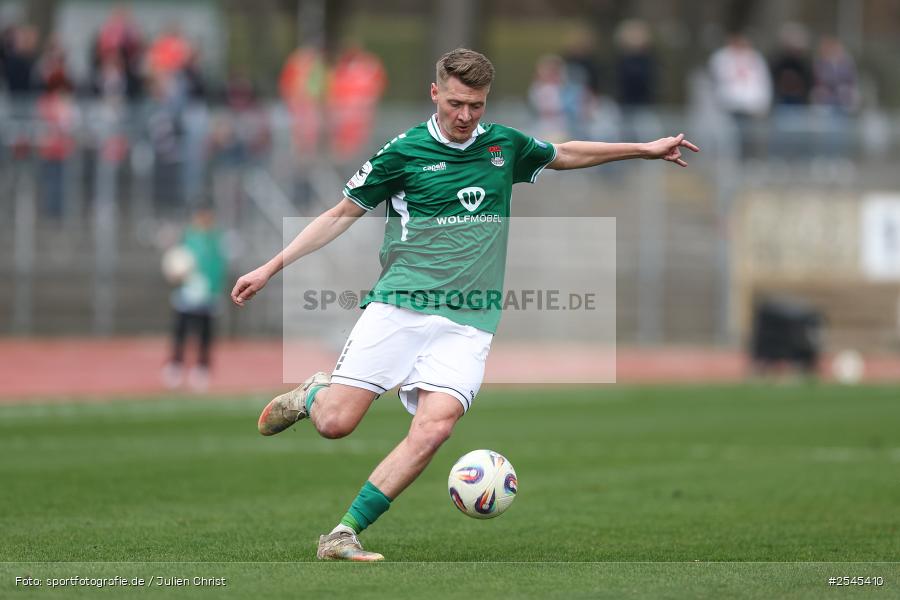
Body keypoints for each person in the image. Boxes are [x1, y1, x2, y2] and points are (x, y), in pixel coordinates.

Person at [231, 48, 698, 561]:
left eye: (475, 105)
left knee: (436, 427)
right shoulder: (404, 152)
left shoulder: (504, 146)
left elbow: (565, 153)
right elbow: (341, 213)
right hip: (401, 304)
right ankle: (314, 395)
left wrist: (644, 150)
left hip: (470, 320)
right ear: (435, 93)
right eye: (455, 103)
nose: (465, 116)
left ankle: (342, 534)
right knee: (336, 424)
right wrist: (270, 267)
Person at [163, 207, 228, 391]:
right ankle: (175, 364)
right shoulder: (188, 236)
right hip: (188, 293)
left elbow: (219, 266)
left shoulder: (216, 239)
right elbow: (177, 263)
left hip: (209, 294)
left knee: (205, 333)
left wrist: (215, 290)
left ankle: (202, 367)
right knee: (180, 330)